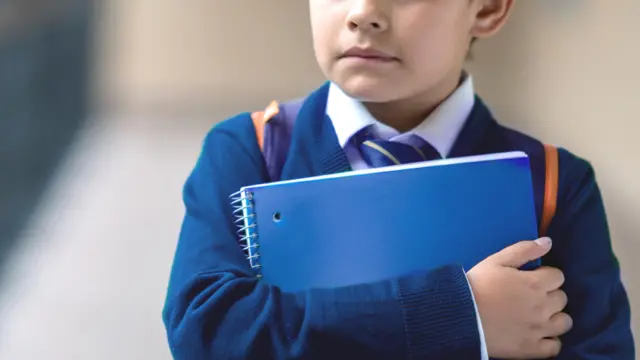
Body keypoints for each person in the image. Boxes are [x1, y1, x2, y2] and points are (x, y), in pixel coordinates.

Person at [162, 0, 634, 359]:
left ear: (487, 9)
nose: (364, 13)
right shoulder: (252, 149)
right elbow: (208, 331)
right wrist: (462, 314)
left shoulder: (553, 184)